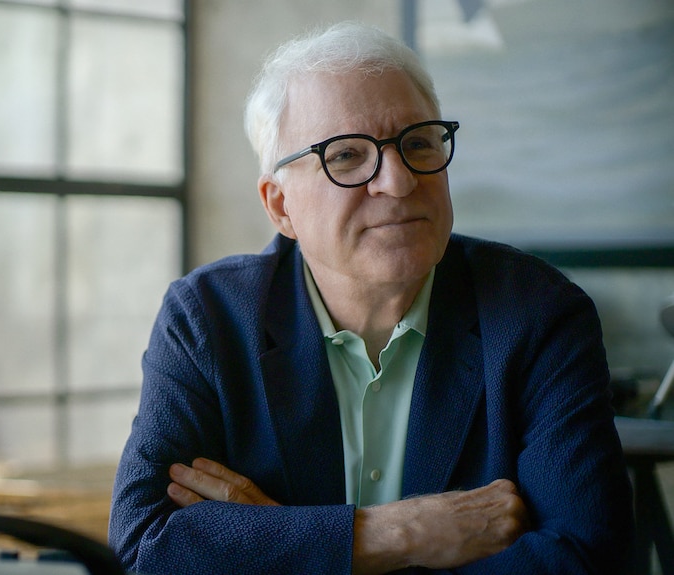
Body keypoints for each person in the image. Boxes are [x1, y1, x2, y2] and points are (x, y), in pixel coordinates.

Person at [108, 21, 634, 574]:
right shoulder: (207, 319)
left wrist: (288, 546)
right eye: (347, 156)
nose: (399, 182)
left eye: (417, 143)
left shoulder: (539, 315)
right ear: (281, 206)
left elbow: (584, 558)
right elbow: (148, 547)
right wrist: (394, 534)